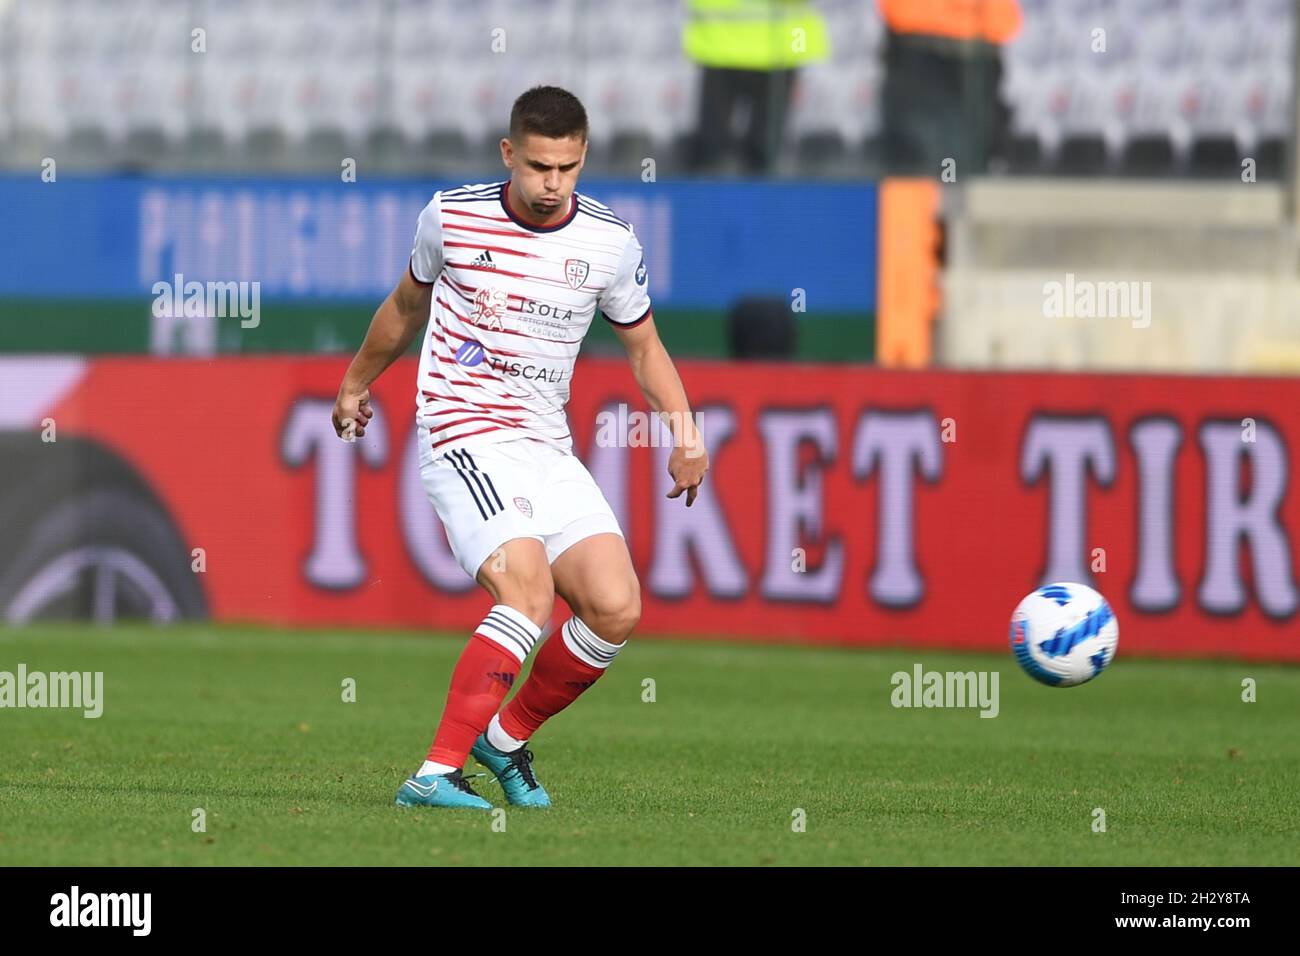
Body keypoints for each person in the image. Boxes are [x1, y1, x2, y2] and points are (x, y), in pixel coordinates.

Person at [332, 86, 709, 810]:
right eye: (538, 166)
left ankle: (501, 741)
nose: (551, 184)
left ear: (584, 158)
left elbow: (645, 349)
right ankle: (434, 775)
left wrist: (684, 433)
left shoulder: (609, 242)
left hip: (545, 446)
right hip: (462, 430)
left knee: (615, 607)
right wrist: (355, 384)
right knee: (528, 595)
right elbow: (406, 307)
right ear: (510, 153)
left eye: (566, 168)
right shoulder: (452, 216)